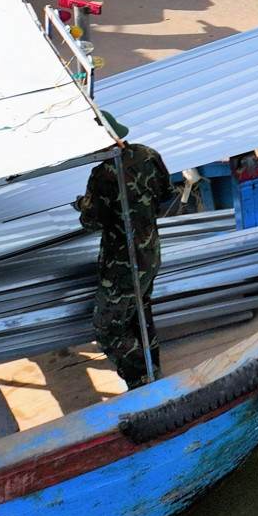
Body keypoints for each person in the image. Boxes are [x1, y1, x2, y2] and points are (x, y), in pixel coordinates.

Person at [73, 112, 174, 388]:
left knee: (108, 329)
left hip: (122, 265)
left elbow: (91, 222)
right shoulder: (148, 154)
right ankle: (153, 369)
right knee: (140, 313)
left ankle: (143, 379)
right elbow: (166, 194)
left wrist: (84, 205)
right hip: (150, 252)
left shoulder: (104, 174)